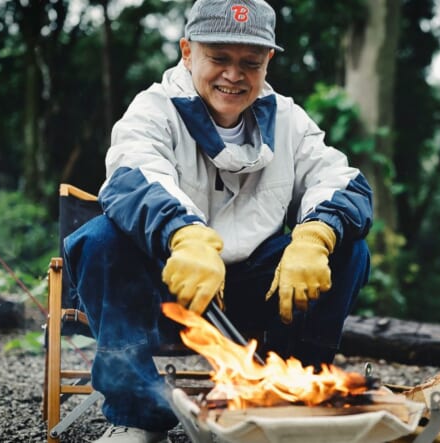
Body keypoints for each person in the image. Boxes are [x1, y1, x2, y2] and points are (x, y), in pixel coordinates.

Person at [63, 0, 372, 441]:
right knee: (97, 238)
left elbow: (340, 181)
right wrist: (185, 238)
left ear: (269, 61)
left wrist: (315, 236)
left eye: (250, 62)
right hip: (167, 295)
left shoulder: (289, 119)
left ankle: (289, 396)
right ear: (187, 51)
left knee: (350, 247)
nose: (234, 74)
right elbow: (134, 175)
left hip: (253, 292)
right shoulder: (153, 109)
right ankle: (137, 417)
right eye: (219, 58)